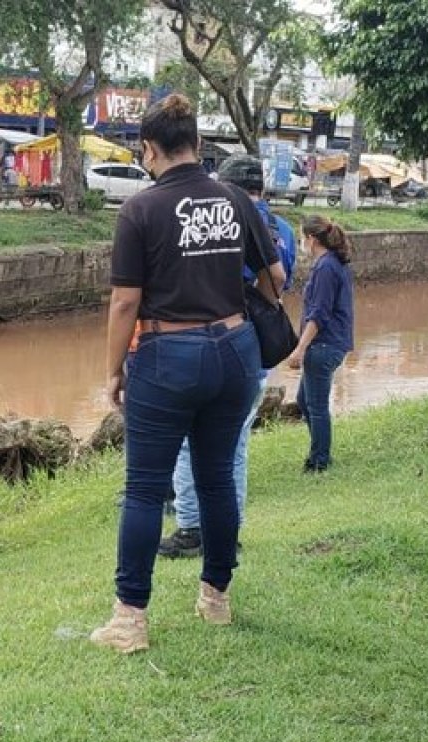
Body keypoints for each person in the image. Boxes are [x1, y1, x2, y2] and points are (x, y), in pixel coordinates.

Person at [91, 94, 285, 654]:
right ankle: (215, 599)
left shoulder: (140, 210)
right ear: (198, 144)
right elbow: (275, 278)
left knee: (143, 488)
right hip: (235, 353)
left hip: (166, 356)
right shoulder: (235, 199)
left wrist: (113, 370)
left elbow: (125, 303)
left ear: (148, 149)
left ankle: (130, 620)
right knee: (217, 477)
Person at [159, 154, 296, 558]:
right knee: (235, 445)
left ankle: (191, 528)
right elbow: (279, 280)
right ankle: (227, 531)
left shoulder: (218, 218)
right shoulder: (284, 230)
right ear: (262, 188)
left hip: (213, 340)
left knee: (189, 442)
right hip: (255, 349)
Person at [285, 215, 355, 473]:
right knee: (304, 400)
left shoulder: (326, 267)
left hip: (324, 345)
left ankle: (319, 461)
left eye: (302, 238)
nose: (301, 243)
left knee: (316, 406)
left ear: (311, 239)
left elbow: (319, 314)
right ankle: (319, 451)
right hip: (331, 342)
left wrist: (300, 348)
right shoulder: (333, 263)